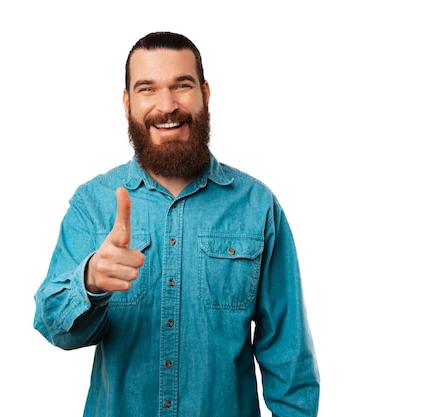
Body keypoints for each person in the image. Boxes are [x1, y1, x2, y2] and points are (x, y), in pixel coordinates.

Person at [34, 31, 320, 417]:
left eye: (181, 86)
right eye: (147, 89)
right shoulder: (93, 203)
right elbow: (54, 326)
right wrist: (91, 281)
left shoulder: (257, 205)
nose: (167, 106)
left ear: (204, 93)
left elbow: (289, 356)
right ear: (127, 102)